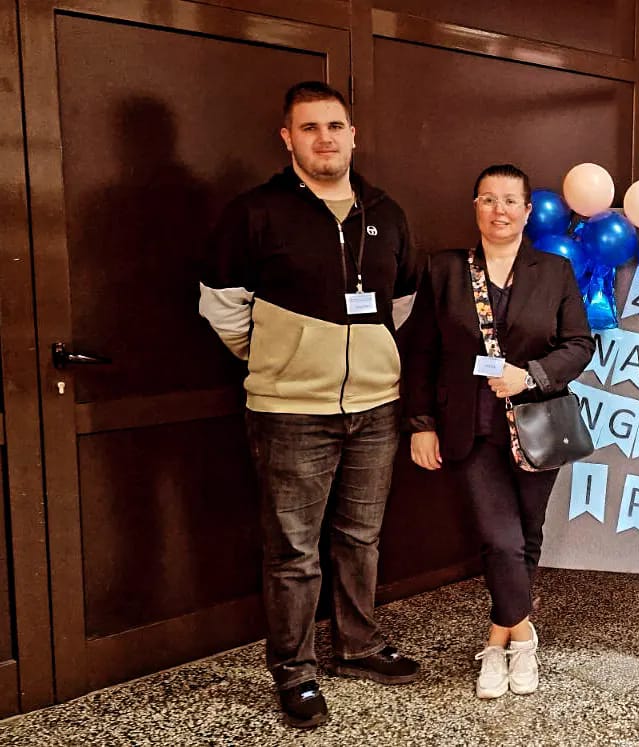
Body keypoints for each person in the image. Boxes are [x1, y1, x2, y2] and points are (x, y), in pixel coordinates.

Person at [198, 81, 422, 729]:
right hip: (290, 410)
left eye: (334, 126)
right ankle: (294, 671)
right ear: (287, 138)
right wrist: (285, 355)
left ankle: (357, 644)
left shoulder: (387, 212)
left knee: (361, 538)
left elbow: (402, 303)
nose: (325, 138)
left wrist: (368, 358)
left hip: (376, 407)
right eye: (309, 127)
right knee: (293, 552)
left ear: (353, 135)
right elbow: (222, 306)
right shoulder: (256, 212)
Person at [401, 164, 593, 699]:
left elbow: (579, 345)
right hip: (471, 428)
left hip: (537, 427)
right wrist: (421, 423)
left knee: (526, 536)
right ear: (476, 208)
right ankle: (521, 637)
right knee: (499, 538)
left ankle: (498, 637)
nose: (499, 210)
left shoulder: (554, 271)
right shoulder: (443, 270)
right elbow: (421, 352)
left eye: (510, 201)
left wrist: (530, 375)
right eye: (488, 199)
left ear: (528, 211)